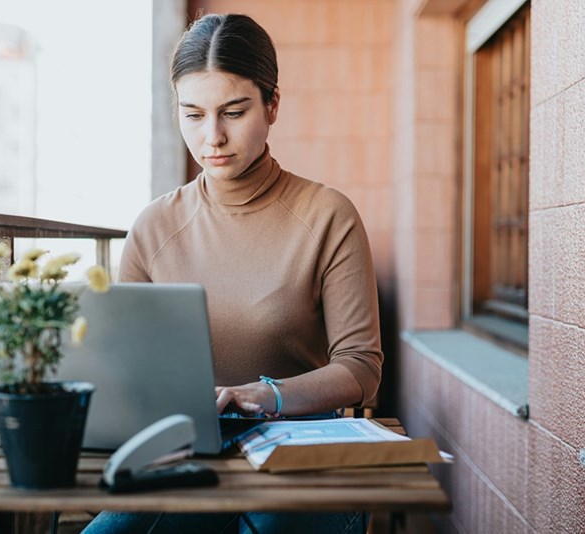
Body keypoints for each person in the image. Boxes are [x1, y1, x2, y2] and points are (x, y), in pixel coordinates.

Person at [83, 12, 382, 534]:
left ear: (272, 105)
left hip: (295, 446)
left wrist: (264, 394)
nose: (213, 137)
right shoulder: (155, 226)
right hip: (186, 449)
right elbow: (126, 364)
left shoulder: (328, 215)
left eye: (234, 111)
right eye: (193, 114)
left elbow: (360, 367)